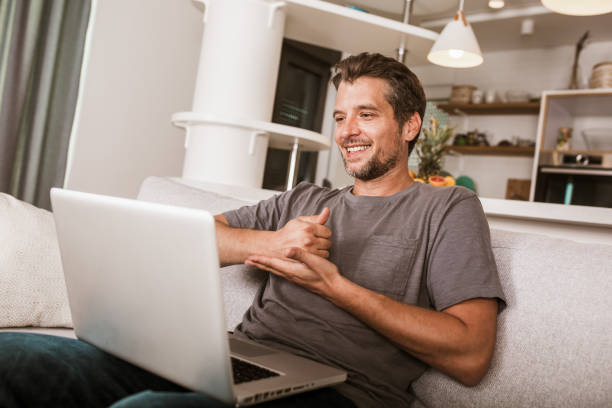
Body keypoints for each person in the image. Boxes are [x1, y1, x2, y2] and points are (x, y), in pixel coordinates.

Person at [0, 52, 505, 408]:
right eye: (340, 117)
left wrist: (333, 285)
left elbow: (471, 354)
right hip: (229, 359)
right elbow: (192, 237)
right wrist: (271, 242)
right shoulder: (307, 199)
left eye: (366, 115)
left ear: (410, 126)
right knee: (16, 357)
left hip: (338, 393)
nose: (347, 132)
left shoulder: (448, 208)